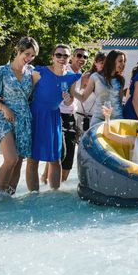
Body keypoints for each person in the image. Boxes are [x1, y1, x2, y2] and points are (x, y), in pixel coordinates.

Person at [26, 45, 85, 191]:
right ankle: (33, 196)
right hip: (36, 116)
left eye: (65, 56)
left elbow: (70, 100)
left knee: (55, 159)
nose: (61, 58)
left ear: (69, 58)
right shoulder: (40, 72)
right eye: (58, 55)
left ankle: (54, 194)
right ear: (52, 57)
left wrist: (68, 99)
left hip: (53, 118)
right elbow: (27, 92)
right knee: (33, 159)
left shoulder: (72, 77)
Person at [0, 36, 38, 198]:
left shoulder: (32, 72)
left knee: (18, 163)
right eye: (27, 54)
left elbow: (30, 95)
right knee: (11, 159)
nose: (29, 58)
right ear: (18, 51)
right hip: (4, 117)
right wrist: (5, 108)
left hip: (24, 119)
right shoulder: (0, 71)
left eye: (32, 56)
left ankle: (9, 197)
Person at [41, 47, 89, 184]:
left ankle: (57, 184)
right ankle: (46, 181)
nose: (82, 59)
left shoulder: (79, 74)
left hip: (71, 115)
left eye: (85, 57)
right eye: (79, 55)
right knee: (59, 152)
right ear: (72, 57)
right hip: (58, 114)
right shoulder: (62, 69)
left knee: (68, 155)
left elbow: (75, 97)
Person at [89, 49, 126, 123]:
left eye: (124, 61)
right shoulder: (96, 76)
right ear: (112, 61)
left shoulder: (120, 79)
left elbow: (119, 101)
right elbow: (83, 97)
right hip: (99, 118)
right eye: (120, 61)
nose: (123, 64)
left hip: (116, 119)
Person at [74, 51, 106, 134]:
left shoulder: (106, 79)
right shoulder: (87, 76)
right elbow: (78, 92)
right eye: (101, 63)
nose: (104, 65)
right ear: (95, 63)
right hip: (81, 114)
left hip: (96, 117)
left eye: (106, 63)